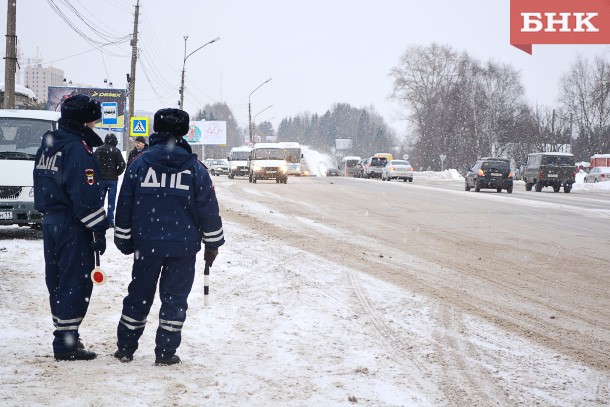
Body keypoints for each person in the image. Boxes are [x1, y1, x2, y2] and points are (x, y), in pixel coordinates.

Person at [113, 108, 224, 366]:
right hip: (183, 248)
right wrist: (213, 244)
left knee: (138, 295)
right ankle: (165, 352)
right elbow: (208, 209)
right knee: (174, 300)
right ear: (185, 132)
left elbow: (124, 204)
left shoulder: (138, 164)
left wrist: (124, 239)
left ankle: (126, 347)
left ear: (156, 130)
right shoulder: (196, 170)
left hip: (146, 244)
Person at [33, 94, 108, 361]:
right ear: (83, 121)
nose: (95, 126)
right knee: (74, 280)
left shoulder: (49, 144)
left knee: (56, 279)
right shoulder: (77, 149)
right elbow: (85, 197)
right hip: (72, 225)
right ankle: (65, 343)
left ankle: (66, 334)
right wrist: (99, 229)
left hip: (50, 222)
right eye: (93, 121)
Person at [94, 133, 126, 228]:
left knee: (100, 200)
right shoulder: (116, 151)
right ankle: (110, 221)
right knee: (111, 202)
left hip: (100, 179)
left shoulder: (98, 150)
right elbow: (122, 165)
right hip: (112, 180)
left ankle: (99, 220)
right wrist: (117, 173)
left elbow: (93, 163)